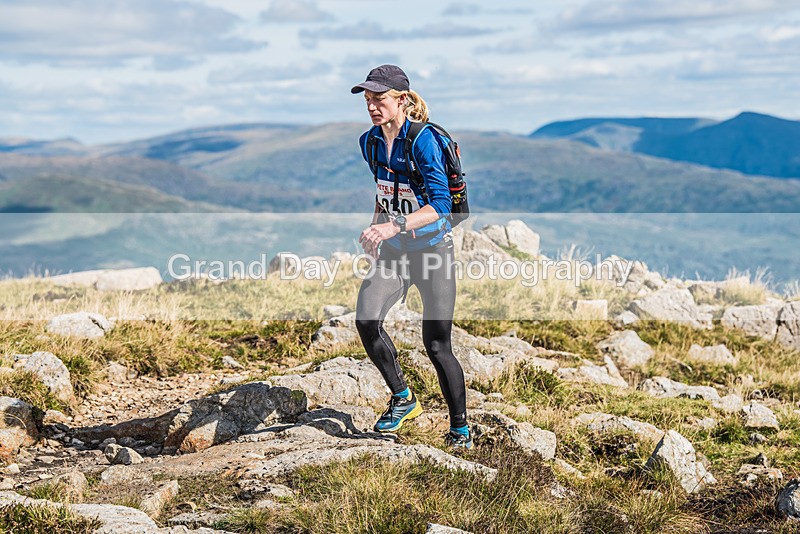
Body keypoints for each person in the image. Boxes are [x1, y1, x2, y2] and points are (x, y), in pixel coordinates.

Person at [351, 64, 471, 448]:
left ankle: (460, 430)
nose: (372, 107)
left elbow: (440, 204)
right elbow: (384, 190)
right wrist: (375, 229)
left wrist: (393, 225)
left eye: (379, 99)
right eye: (368, 100)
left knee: (437, 345)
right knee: (366, 319)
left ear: (401, 100)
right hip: (394, 253)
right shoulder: (369, 142)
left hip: (433, 251)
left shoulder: (423, 141)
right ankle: (403, 398)